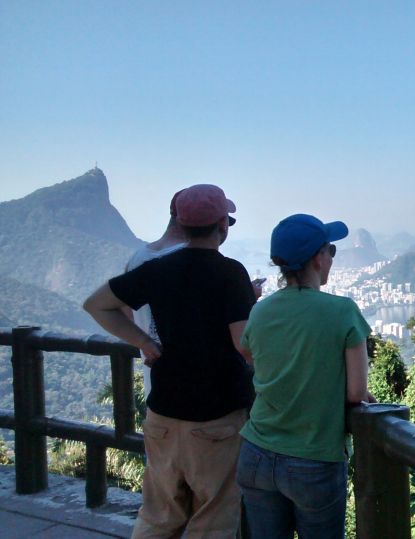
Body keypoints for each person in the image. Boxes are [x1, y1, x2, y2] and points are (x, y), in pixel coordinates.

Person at [83, 184, 255, 538]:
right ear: (222, 225)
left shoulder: (157, 269)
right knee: (214, 518)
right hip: (216, 419)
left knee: (159, 516)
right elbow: (244, 344)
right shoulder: (230, 273)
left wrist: (144, 342)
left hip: (162, 414)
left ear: (180, 223)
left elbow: (97, 304)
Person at [236, 213, 375, 539]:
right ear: (318, 257)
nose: (331, 259)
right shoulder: (342, 311)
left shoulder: (261, 309)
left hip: (255, 452)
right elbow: (357, 393)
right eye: (331, 250)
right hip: (313, 459)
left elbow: (248, 352)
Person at [124, 190, 187, 400]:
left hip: (156, 391)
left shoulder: (137, 258)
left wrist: (147, 344)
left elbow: (126, 314)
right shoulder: (193, 261)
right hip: (200, 398)